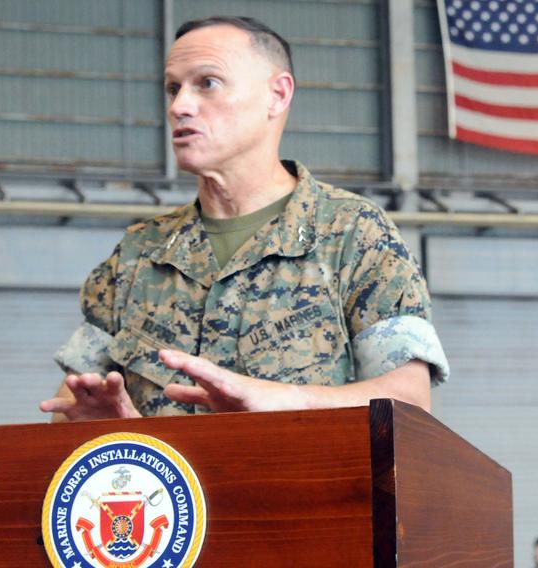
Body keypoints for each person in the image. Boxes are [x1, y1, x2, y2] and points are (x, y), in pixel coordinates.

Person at [40, 16, 449, 421]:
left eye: (207, 83)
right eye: (172, 88)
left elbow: (408, 401)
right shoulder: (139, 253)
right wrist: (104, 431)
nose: (180, 106)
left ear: (277, 94)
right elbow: (70, 408)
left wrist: (279, 399)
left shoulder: (354, 234)